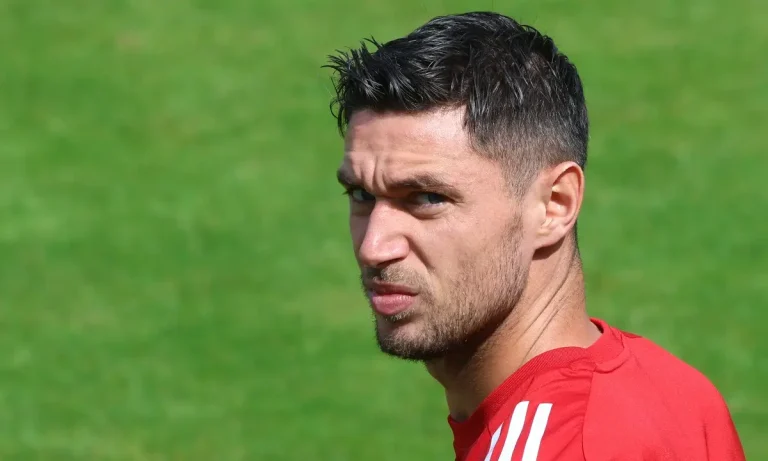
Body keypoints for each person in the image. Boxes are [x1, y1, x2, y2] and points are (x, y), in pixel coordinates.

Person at [324, 11, 746, 461]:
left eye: (427, 198)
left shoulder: (562, 447)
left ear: (554, 205)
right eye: (361, 194)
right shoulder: (672, 390)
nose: (374, 247)